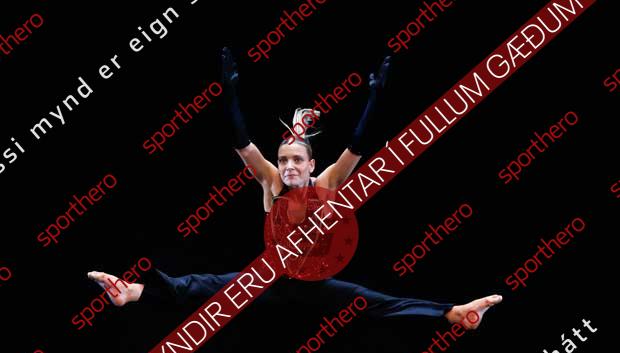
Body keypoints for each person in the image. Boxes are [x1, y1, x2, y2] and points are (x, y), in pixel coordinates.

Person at [87, 48, 502, 330]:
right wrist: (229, 91)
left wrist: (375, 97)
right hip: (270, 280)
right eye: (283, 159)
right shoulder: (271, 182)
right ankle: (131, 293)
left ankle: (454, 313)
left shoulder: (328, 182)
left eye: (296, 160)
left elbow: (357, 146)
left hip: (315, 286)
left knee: (374, 301)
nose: (287, 166)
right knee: (200, 285)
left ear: (311, 165)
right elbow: (242, 144)